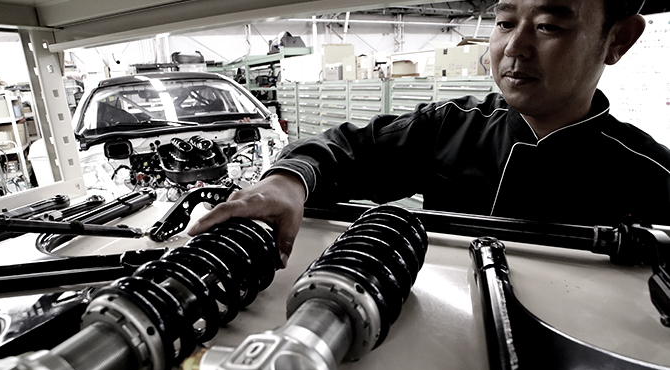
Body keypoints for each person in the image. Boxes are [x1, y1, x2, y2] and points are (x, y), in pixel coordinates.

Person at [189, 0, 670, 268]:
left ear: (618, 39)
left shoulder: (654, 177)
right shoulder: (451, 127)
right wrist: (287, 182)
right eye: (504, 23)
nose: (514, 48)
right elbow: (350, 149)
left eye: (548, 25)